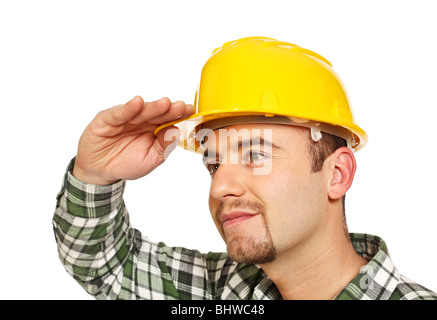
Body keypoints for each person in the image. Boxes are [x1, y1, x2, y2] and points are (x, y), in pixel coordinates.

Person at [53, 37, 436, 300]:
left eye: (256, 155)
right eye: (213, 164)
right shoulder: (225, 292)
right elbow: (107, 266)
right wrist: (96, 176)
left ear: (336, 175)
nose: (219, 186)